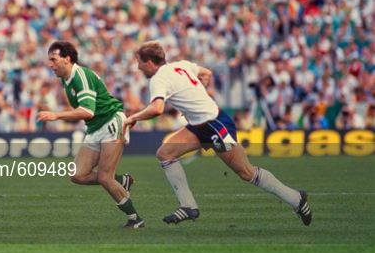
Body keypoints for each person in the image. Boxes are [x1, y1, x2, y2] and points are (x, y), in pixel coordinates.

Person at [124, 41, 311, 226]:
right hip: (199, 126)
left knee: (247, 173)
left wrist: (132, 118)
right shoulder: (181, 65)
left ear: (149, 62)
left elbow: (157, 109)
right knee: (165, 154)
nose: (138, 67)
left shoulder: (159, 79)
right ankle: (188, 206)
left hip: (215, 125)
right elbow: (207, 72)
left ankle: (296, 199)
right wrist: (200, 90)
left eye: (139, 62)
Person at [37, 41, 144, 228]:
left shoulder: (80, 76)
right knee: (77, 175)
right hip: (95, 128)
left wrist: (56, 115)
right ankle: (122, 180)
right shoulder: (66, 78)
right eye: (49, 60)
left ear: (67, 59)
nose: (50, 64)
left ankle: (135, 219)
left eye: (53, 59)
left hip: (112, 122)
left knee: (104, 177)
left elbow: (87, 111)